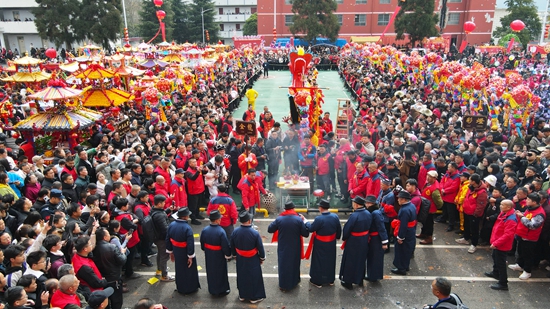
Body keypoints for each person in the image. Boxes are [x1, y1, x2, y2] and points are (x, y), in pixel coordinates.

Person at [268, 201, 309, 291]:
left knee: (283, 264)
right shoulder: (298, 219)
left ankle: (283, 284)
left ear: (285, 209)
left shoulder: (279, 219)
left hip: (283, 246)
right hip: (295, 246)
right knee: (294, 264)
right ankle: (294, 281)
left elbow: (270, 229)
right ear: (293, 209)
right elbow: (305, 234)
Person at [508, 193, 546, 280]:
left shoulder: (539, 213)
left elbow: (533, 225)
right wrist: (521, 214)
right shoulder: (530, 209)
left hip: (530, 237)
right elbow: (526, 217)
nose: (526, 201)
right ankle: (520, 265)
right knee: (521, 251)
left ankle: (527, 271)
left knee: (528, 255)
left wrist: (522, 217)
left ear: (534, 202)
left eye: (528, 200)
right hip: (521, 234)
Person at [230, 211, 266, 304]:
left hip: (240, 258)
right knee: (253, 277)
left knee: (242, 275)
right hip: (252, 258)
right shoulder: (254, 233)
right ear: (249, 220)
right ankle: (253, 297)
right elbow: (260, 248)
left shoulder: (235, 232)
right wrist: (262, 258)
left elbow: (232, 245)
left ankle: (242, 295)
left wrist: (235, 255)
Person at [304, 199, 341, 288]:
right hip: (331, 243)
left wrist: (305, 221)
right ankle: (330, 280)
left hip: (320, 243)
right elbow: (339, 229)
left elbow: (311, 228)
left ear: (320, 208)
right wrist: (338, 237)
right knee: (330, 260)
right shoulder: (335, 216)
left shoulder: (319, 218)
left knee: (319, 261)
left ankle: (317, 281)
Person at [339, 196, 372, 289]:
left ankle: (348, 281)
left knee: (351, 260)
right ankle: (359, 279)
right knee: (361, 259)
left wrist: (345, 237)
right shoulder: (368, 213)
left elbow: (347, 229)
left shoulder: (354, 215)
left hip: (354, 240)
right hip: (364, 239)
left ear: (356, 204)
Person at [165, 208, 200, 295]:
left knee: (179, 269)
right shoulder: (187, 228)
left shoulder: (172, 225)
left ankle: (180, 287)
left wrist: (171, 252)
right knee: (189, 270)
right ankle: (190, 288)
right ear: (185, 217)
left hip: (177, 251)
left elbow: (168, 239)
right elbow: (190, 244)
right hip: (185, 252)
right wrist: (190, 256)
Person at [485, 199, 517, 291]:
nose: (500, 206)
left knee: (501, 262)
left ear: (508, 207)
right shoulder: (503, 214)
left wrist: (496, 243)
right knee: (495, 257)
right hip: (497, 242)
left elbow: (508, 235)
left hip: (502, 245)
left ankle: (503, 283)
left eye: (502, 205)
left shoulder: (511, 219)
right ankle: (495, 272)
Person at [199, 210, 231, 297]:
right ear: (217, 220)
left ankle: (212, 289)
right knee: (220, 272)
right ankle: (221, 290)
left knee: (211, 271)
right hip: (219, 255)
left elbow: (202, 243)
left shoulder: (205, 230)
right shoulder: (221, 231)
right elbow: (225, 245)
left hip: (209, 254)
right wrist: (228, 254)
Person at [93, 228, 126, 309]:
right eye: (108, 234)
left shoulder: (93, 249)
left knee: (106, 302)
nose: (109, 236)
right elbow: (122, 260)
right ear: (104, 237)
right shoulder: (112, 247)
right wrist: (122, 253)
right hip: (114, 279)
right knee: (116, 301)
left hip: (102, 279)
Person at [149, 195, 175, 282]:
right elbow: (165, 229)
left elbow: (162, 213)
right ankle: (164, 275)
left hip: (157, 237)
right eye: (163, 203)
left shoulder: (154, 210)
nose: (165, 204)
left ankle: (159, 269)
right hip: (162, 238)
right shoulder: (159, 215)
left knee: (160, 254)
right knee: (164, 256)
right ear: (159, 204)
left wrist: (168, 210)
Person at [392, 190, 417, 275]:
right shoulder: (412, 206)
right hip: (411, 231)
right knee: (407, 250)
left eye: (399, 198)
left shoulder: (404, 210)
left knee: (401, 251)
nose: (398, 200)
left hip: (405, 232)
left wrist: (400, 237)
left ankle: (401, 268)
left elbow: (403, 225)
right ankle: (405, 266)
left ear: (403, 199)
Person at [365, 195, 389, 282]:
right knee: (372, 257)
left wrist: (384, 242)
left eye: (369, 203)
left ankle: (374, 276)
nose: (367, 204)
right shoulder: (374, 212)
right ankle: (372, 275)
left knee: (375, 257)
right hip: (373, 237)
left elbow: (381, 228)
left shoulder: (375, 213)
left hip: (376, 238)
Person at [418, 170, 443, 245]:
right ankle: (423, 233)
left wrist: (436, 207)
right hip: (425, 207)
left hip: (430, 208)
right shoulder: (428, 183)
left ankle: (429, 238)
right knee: (424, 222)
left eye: (430, 177)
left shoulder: (435, 189)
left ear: (435, 178)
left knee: (429, 223)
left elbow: (439, 201)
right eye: (427, 176)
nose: (428, 178)